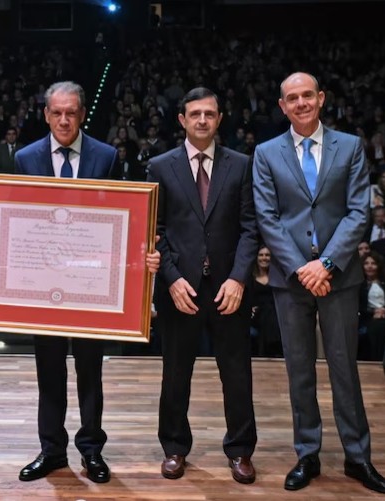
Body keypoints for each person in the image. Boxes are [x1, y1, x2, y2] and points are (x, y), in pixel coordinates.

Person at [0, 81, 154, 485]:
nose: (64, 120)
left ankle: (91, 451)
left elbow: (122, 215)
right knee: (48, 370)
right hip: (43, 282)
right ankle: (51, 450)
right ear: (46, 114)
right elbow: (15, 216)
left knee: (90, 370)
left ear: (82, 113)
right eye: (57, 113)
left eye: (71, 112)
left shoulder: (106, 156)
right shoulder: (26, 157)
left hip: (90, 282)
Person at [252, 71, 385, 494]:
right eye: (291, 98)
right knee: (299, 371)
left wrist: (326, 263)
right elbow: (267, 217)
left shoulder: (349, 146)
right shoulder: (265, 152)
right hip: (291, 278)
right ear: (282, 106)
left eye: (307, 95)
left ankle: (357, 457)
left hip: (339, 276)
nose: (300, 103)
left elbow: (358, 213)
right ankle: (307, 453)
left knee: (344, 369)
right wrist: (301, 268)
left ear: (321, 98)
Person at [147, 87, 258, 484]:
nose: (202, 120)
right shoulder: (160, 166)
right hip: (181, 289)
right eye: (194, 113)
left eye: (209, 114)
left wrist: (238, 278)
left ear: (220, 118)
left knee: (237, 373)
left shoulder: (242, 164)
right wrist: (172, 278)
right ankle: (175, 447)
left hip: (229, 288)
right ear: (182, 119)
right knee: (176, 373)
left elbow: (250, 229)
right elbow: (154, 231)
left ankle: (241, 451)